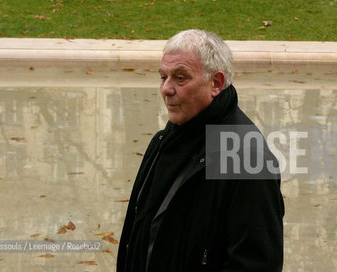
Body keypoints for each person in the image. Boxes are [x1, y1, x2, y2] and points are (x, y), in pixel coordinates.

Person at [117, 29, 284, 272]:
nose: (166, 89)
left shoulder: (246, 157)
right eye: (163, 77)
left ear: (216, 83)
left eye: (180, 78)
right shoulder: (165, 139)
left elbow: (256, 264)